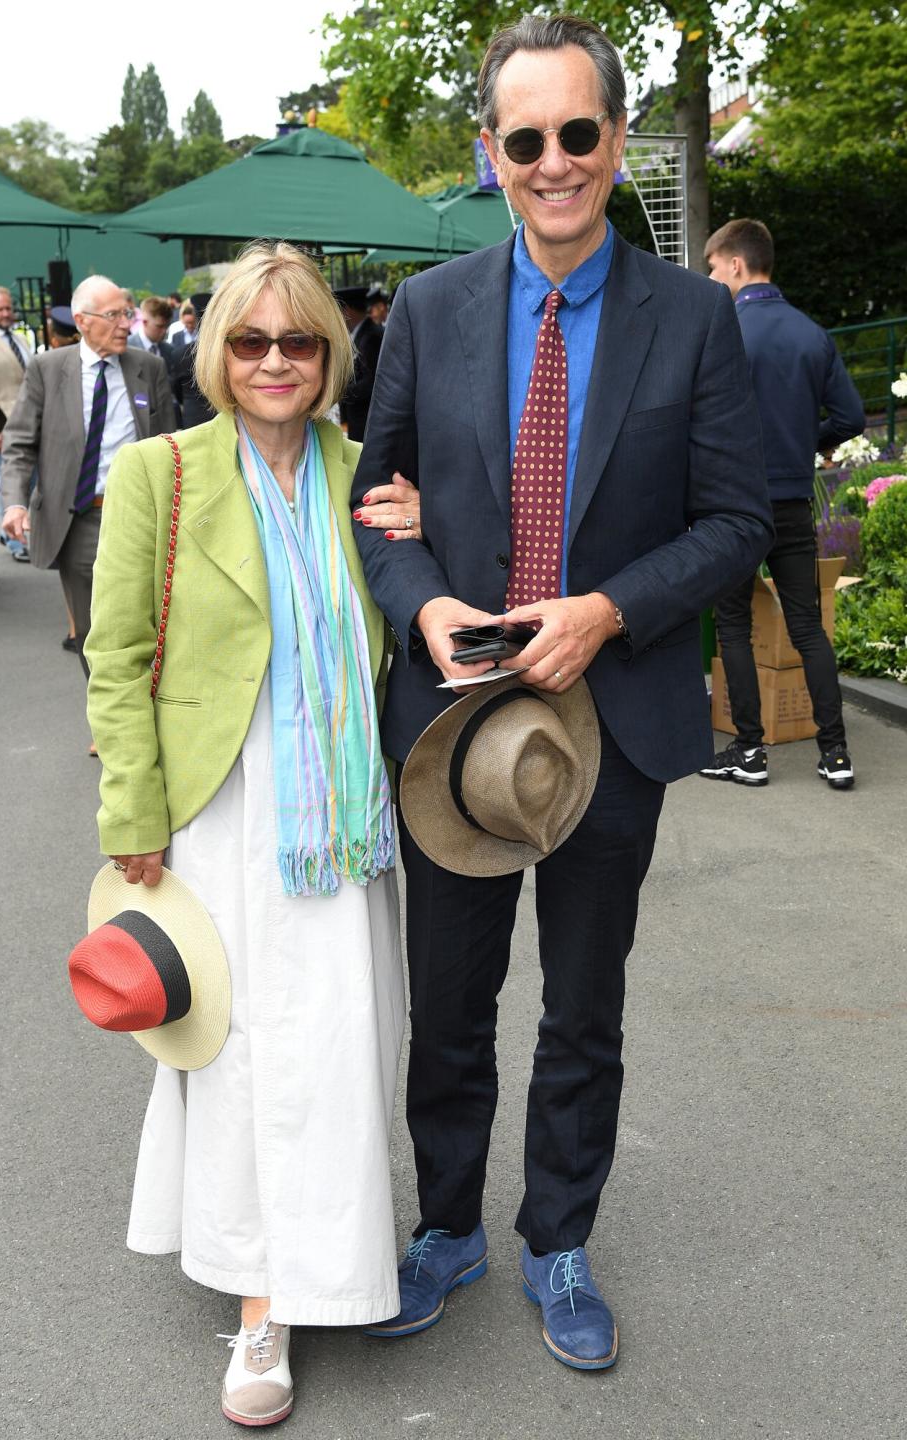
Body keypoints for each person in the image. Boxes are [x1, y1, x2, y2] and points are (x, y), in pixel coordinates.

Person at [351, 14, 773, 1372]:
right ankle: (448, 1229)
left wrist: (608, 611)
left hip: (613, 722)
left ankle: (560, 1240)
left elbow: (739, 518)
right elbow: (377, 502)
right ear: (492, 152)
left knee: (585, 1003)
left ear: (616, 139)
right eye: (523, 140)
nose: (553, 163)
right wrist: (422, 602)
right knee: (449, 997)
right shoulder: (429, 309)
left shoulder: (696, 317)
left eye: (577, 135)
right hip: (452, 729)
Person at [85, 240, 422, 1428]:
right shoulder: (162, 475)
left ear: (330, 352)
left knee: (341, 1042)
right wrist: (133, 814)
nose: (274, 361)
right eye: (249, 340)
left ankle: (339, 1264)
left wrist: (420, 529)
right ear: (218, 351)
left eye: (297, 340)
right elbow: (116, 659)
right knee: (237, 1051)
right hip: (221, 806)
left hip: (343, 813)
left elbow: (409, 614)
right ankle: (259, 1304)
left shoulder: (361, 472)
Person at [700, 218, 864, 790]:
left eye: (714, 268)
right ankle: (836, 753)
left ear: (737, 265)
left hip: (733, 505)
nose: (712, 278)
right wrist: (805, 445)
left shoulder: (721, 332)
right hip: (792, 501)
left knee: (733, 626)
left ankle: (749, 753)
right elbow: (850, 417)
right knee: (808, 628)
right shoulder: (810, 333)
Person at [0, 275, 175, 702]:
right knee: (92, 627)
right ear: (81, 321)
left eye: (127, 314)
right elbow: (19, 443)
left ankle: (151, 707)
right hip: (80, 517)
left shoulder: (147, 368)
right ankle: (109, 713)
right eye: (114, 315)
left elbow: (172, 443)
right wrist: (14, 503)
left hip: (140, 515)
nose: (125, 324)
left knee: (149, 619)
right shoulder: (48, 369)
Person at [0, 285, 32, 563]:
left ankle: (11, 531)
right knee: (7, 483)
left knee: (28, 481)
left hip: (28, 421)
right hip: (1, 425)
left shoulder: (20, 339)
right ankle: (15, 541)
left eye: (9, 308)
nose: (6, 313)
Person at [335, 285, 383, 441]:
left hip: (367, 423)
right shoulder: (362, 333)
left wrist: (340, 393)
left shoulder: (371, 337)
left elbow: (372, 382)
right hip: (360, 421)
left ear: (347, 310)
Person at [172, 292, 216, 428]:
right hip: (222, 416)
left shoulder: (181, 354)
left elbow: (175, 388)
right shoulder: (225, 351)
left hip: (193, 419)